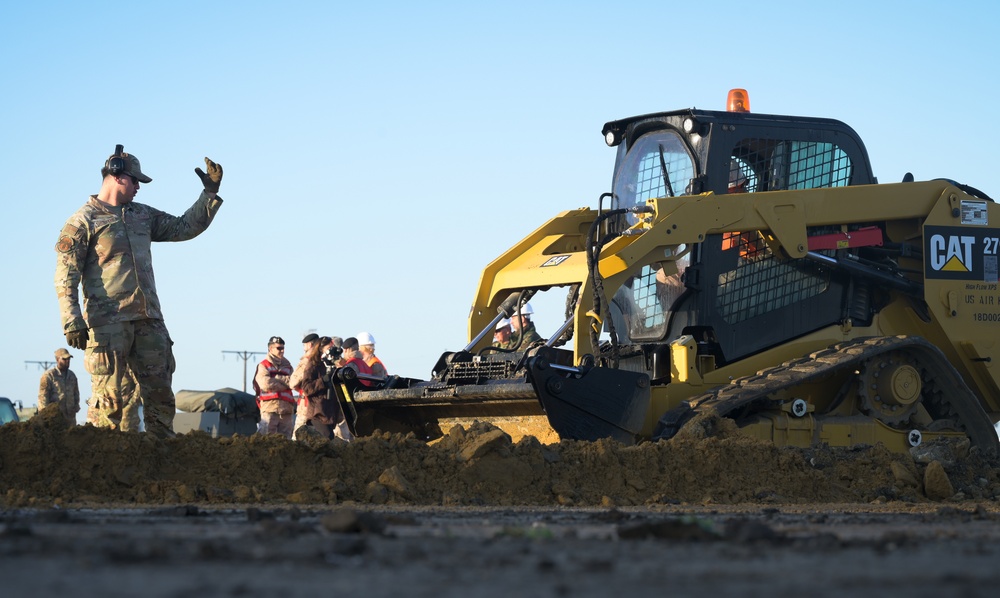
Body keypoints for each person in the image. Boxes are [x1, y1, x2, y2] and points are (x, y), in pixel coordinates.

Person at [54, 147, 224, 437]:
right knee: (109, 402)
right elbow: (66, 275)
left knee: (160, 400)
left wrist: (208, 194)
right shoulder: (83, 221)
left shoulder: (141, 216)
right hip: (109, 325)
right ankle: (102, 468)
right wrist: (72, 320)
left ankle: (162, 464)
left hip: (148, 320)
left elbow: (184, 227)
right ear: (118, 175)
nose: (137, 188)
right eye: (135, 182)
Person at [291, 333, 353, 441]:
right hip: (318, 413)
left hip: (331, 413)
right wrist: (323, 380)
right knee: (326, 439)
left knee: (329, 439)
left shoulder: (333, 365)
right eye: (329, 348)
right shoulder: (313, 365)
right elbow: (306, 388)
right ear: (320, 349)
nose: (331, 350)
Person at [253, 336, 295, 438]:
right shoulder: (263, 365)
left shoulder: (288, 366)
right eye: (279, 348)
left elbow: (294, 383)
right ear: (270, 349)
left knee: (286, 442)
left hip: (286, 409)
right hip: (270, 407)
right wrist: (285, 383)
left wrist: (277, 378)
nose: (282, 351)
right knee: (266, 439)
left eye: (283, 348)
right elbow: (265, 384)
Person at [38, 348, 80, 425]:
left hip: (70, 419)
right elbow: (42, 398)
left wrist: (75, 406)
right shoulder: (49, 376)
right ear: (57, 359)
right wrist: (44, 418)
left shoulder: (72, 376)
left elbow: (76, 394)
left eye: (69, 359)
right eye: (64, 359)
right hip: (55, 420)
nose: (67, 361)